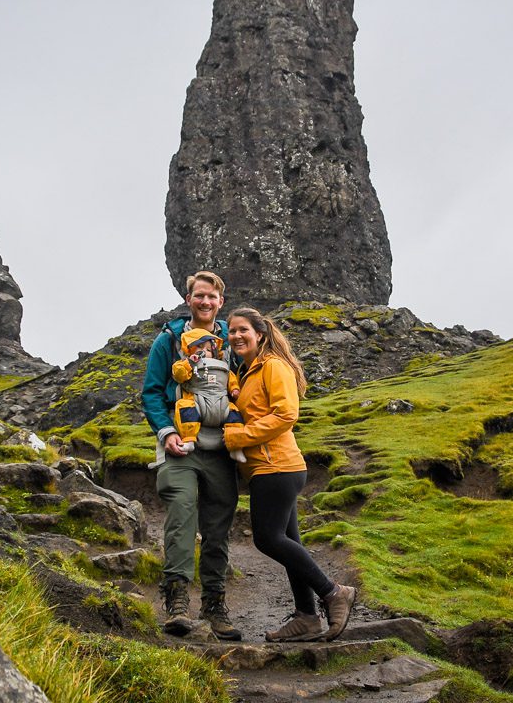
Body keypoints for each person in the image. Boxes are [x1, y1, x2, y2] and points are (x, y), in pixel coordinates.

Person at [223, 307, 357, 642]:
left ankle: (333, 592)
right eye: (232, 331)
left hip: (277, 467)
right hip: (266, 469)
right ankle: (307, 618)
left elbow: (286, 414)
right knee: (290, 541)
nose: (237, 336)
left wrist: (238, 437)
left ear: (260, 334)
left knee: (267, 538)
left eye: (243, 330)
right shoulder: (246, 373)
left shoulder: (273, 366)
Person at [141, 271, 241, 640]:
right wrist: (165, 432)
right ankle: (177, 600)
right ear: (188, 299)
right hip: (181, 444)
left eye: (211, 297)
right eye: (199, 296)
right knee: (182, 512)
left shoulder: (233, 337)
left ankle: (215, 605)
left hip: (224, 447)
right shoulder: (168, 339)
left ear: (220, 302)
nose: (205, 302)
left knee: (217, 526)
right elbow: (151, 391)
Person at [171, 327, 246, 463]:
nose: (204, 352)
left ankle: (235, 447)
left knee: (234, 414)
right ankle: (189, 440)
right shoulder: (184, 364)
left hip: (221, 402)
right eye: (199, 347)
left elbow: (230, 378)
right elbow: (179, 375)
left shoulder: (222, 366)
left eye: (208, 349)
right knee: (185, 408)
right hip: (196, 400)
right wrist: (189, 364)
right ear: (189, 349)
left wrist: (234, 389)